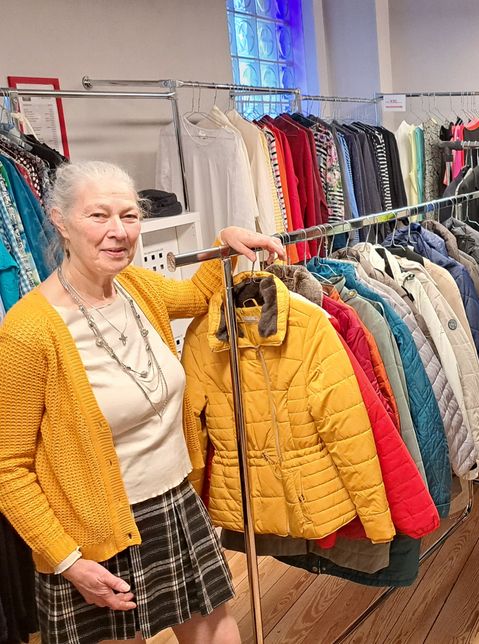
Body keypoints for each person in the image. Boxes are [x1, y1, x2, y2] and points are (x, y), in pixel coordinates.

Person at [0, 161, 285, 644]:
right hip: (93, 534)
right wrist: (68, 561)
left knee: (219, 630)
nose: (118, 231)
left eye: (129, 216)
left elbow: (197, 295)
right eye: (98, 215)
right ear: (60, 221)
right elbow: (9, 468)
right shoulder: (29, 330)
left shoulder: (135, 287)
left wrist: (225, 243)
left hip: (174, 502)